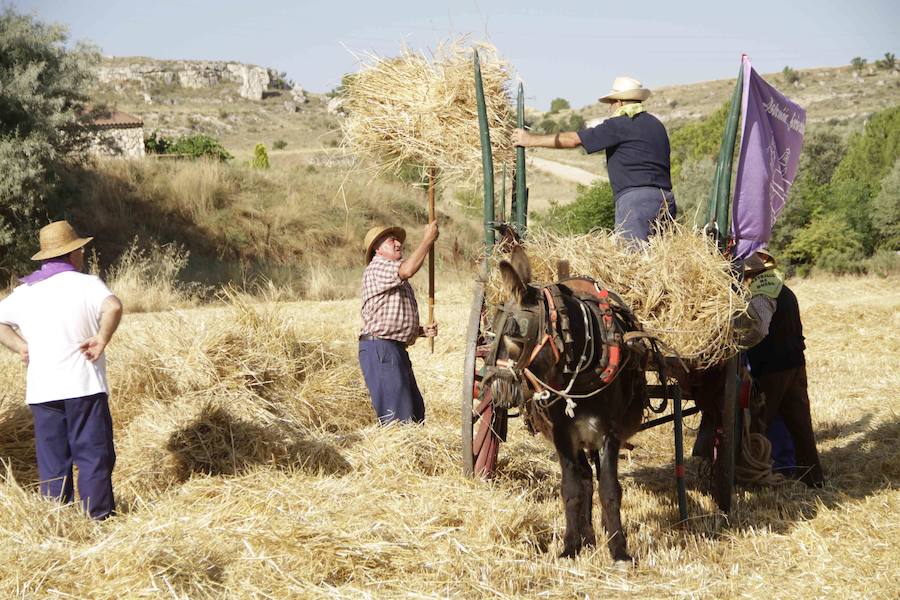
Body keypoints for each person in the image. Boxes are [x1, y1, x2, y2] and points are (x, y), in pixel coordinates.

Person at [0, 220, 123, 518]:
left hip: (43, 391)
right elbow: (114, 307)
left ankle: (58, 521)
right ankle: (98, 520)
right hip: (83, 386)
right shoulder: (86, 284)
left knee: (53, 460)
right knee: (93, 456)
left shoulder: (26, 292)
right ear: (74, 253)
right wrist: (101, 338)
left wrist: (21, 347)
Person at [512, 76, 675, 243]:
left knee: (634, 260)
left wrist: (530, 140)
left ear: (619, 102)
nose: (609, 108)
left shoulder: (619, 124)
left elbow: (573, 140)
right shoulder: (656, 125)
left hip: (635, 202)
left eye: (610, 103)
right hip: (665, 199)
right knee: (660, 259)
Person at [741, 249, 825, 487]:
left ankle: (757, 475)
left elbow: (758, 329)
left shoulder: (761, 292)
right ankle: (813, 478)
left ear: (751, 275)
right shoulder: (783, 289)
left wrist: (736, 344)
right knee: (800, 422)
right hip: (795, 363)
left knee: (759, 421)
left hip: (772, 368)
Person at [358, 222, 439, 424]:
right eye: (391, 239)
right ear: (377, 249)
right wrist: (428, 239)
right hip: (381, 349)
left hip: (393, 349)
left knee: (415, 412)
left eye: (397, 239)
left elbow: (390, 315)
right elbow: (409, 269)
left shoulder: (392, 273)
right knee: (398, 420)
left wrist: (419, 330)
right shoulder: (377, 267)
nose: (397, 243)